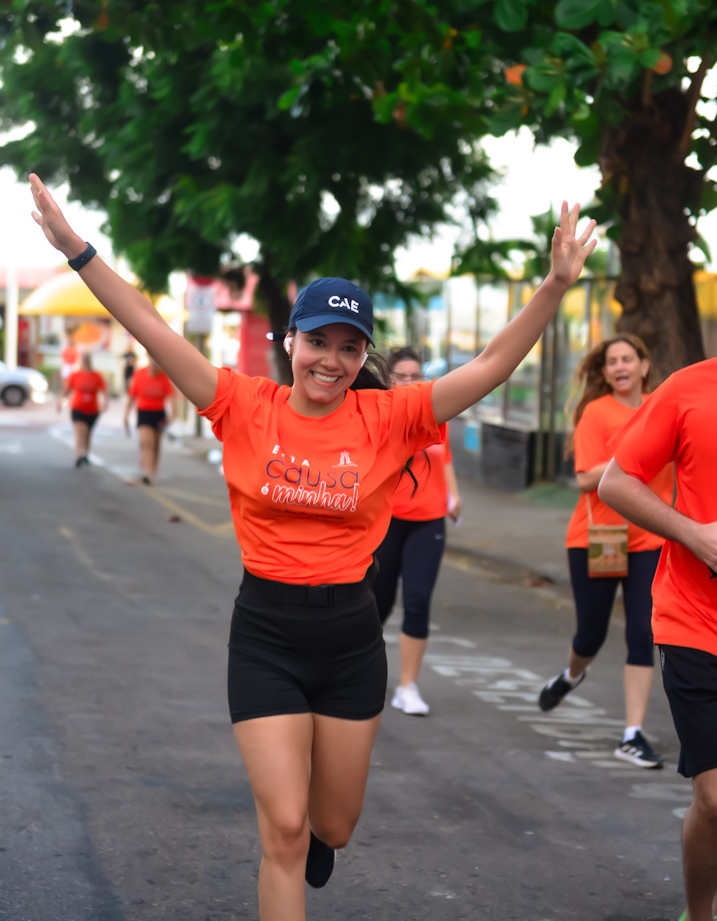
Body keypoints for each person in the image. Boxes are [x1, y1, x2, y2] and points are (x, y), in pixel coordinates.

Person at [29, 173, 595, 921]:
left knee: (333, 825)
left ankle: (318, 834)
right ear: (289, 340)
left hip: (350, 640)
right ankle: (294, 844)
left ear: (362, 356)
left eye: (348, 347)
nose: (330, 360)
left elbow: (490, 365)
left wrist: (554, 287)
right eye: (317, 341)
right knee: (285, 832)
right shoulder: (241, 404)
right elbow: (150, 327)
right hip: (265, 635)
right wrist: (77, 249)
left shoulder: (389, 418)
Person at [598, 359, 717, 921]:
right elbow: (615, 480)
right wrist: (695, 535)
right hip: (695, 621)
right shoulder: (690, 388)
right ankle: (700, 914)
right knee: (714, 800)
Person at [537, 335, 673, 768]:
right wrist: (631, 454)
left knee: (643, 633)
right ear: (605, 371)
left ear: (644, 366)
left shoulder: (662, 409)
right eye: (612, 361)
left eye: (627, 359)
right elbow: (583, 479)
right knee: (590, 635)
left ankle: (632, 735)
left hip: (650, 539)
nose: (619, 367)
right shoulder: (596, 412)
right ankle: (572, 674)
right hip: (597, 538)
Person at [372, 347, 463, 716]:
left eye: (416, 376)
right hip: (388, 519)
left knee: (417, 601)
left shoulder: (434, 413)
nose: (409, 383)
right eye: (401, 376)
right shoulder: (380, 414)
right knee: (376, 603)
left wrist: (454, 494)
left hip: (428, 521)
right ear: (388, 380)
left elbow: (445, 458)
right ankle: (361, 672)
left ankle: (407, 686)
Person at [124, 357, 175, 485]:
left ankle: (152, 470)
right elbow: (132, 395)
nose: (155, 365)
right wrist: (126, 415)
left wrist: (172, 415)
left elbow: (171, 397)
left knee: (156, 444)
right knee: (148, 442)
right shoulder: (139, 374)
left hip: (159, 413)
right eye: (153, 361)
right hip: (144, 412)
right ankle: (146, 473)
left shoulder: (164, 377)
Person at [57, 351, 107, 467]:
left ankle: (85, 454)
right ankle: (79, 454)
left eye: (87, 358)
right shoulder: (76, 375)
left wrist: (105, 402)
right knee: (80, 430)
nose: (85, 361)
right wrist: (60, 402)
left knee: (88, 433)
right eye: (84, 358)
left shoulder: (96, 376)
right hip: (78, 407)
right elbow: (67, 390)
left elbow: (103, 390)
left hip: (93, 409)